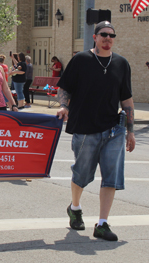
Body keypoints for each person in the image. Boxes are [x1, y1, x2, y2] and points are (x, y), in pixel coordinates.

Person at [57, 21, 135, 242]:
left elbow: (126, 98)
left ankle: (102, 223)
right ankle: (75, 207)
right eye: (104, 34)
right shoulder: (81, 60)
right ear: (95, 36)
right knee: (81, 174)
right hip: (84, 127)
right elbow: (64, 87)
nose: (108, 38)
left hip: (114, 129)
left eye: (111, 35)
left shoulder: (121, 63)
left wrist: (130, 131)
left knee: (111, 177)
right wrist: (64, 106)